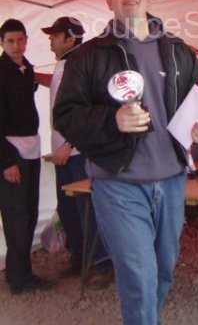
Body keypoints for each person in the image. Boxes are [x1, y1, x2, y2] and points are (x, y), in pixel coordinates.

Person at [53, 0, 198, 325]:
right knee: (139, 277)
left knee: (163, 271)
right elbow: (64, 116)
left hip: (171, 180)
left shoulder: (177, 50)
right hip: (118, 183)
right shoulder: (88, 56)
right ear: (108, 0)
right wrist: (112, 119)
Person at [36, 16, 113, 289]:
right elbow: (57, 84)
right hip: (63, 151)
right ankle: (80, 258)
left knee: (86, 209)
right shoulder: (65, 63)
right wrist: (31, 75)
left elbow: (86, 109)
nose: (50, 40)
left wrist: (69, 145)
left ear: (70, 39)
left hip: (77, 152)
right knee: (68, 208)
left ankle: (102, 264)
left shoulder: (81, 64)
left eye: (55, 35)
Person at [0, 18, 54, 294]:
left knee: (29, 213)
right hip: (12, 152)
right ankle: (20, 280)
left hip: (31, 148)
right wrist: (6, 161)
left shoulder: (26, 68)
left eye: (20, 40)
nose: (16, 45)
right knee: (16, 216)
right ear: (2, 43)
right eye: (11, 41)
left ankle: (18, 273)